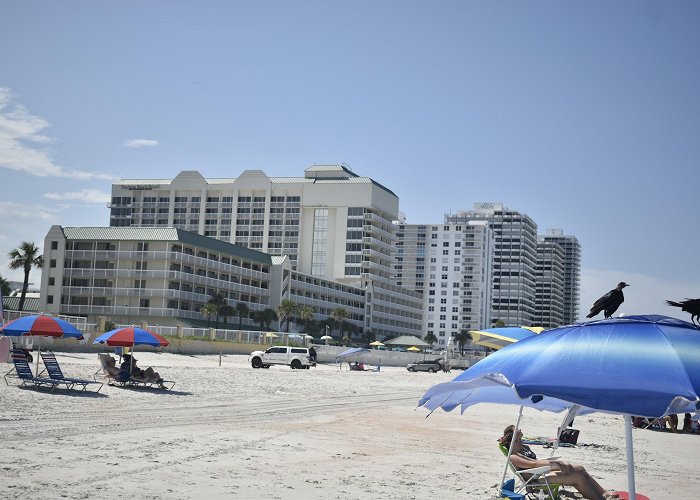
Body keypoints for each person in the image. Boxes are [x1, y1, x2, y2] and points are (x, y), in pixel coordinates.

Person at [499, 425, 619, 500]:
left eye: (520, 439)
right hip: (536, 480)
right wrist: (556, 465)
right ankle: (598, 498)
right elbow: (533, 465)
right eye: (517, 440)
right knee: (578, 478)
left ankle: (603, 493)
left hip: (540, 472)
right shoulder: (513, 457)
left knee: (579, 469)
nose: (520, 441)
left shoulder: (523, 448)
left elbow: (535, 461)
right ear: (511, 441)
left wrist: (555, 462)